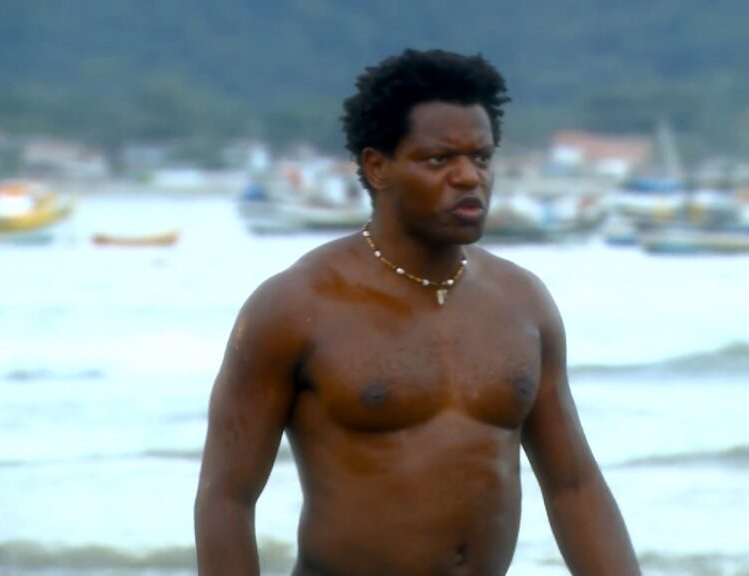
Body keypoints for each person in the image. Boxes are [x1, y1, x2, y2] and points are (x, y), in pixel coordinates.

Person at [195, 48, 640, 576]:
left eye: (481, 158)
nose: (468, 177)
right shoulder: (297, 306)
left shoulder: (523, 303)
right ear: (377, 167)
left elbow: (574, 486)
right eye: (439, 160)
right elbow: (227, 498)